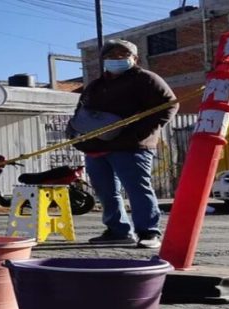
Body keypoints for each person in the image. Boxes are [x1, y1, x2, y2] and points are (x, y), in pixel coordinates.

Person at [69, 39, 179, 249]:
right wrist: (76, 133)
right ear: (103, 60)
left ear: (134, 59)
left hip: (131, 147)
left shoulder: (146, 79)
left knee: (137, 189)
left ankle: (149, 232)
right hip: (96, 148)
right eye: (111, 56)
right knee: (105, 191)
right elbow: (81, 112)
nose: (116, 60)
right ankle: (117, 231)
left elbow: (170, 106)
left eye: (122, 55)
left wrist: (138, 134)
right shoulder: (96, 85)